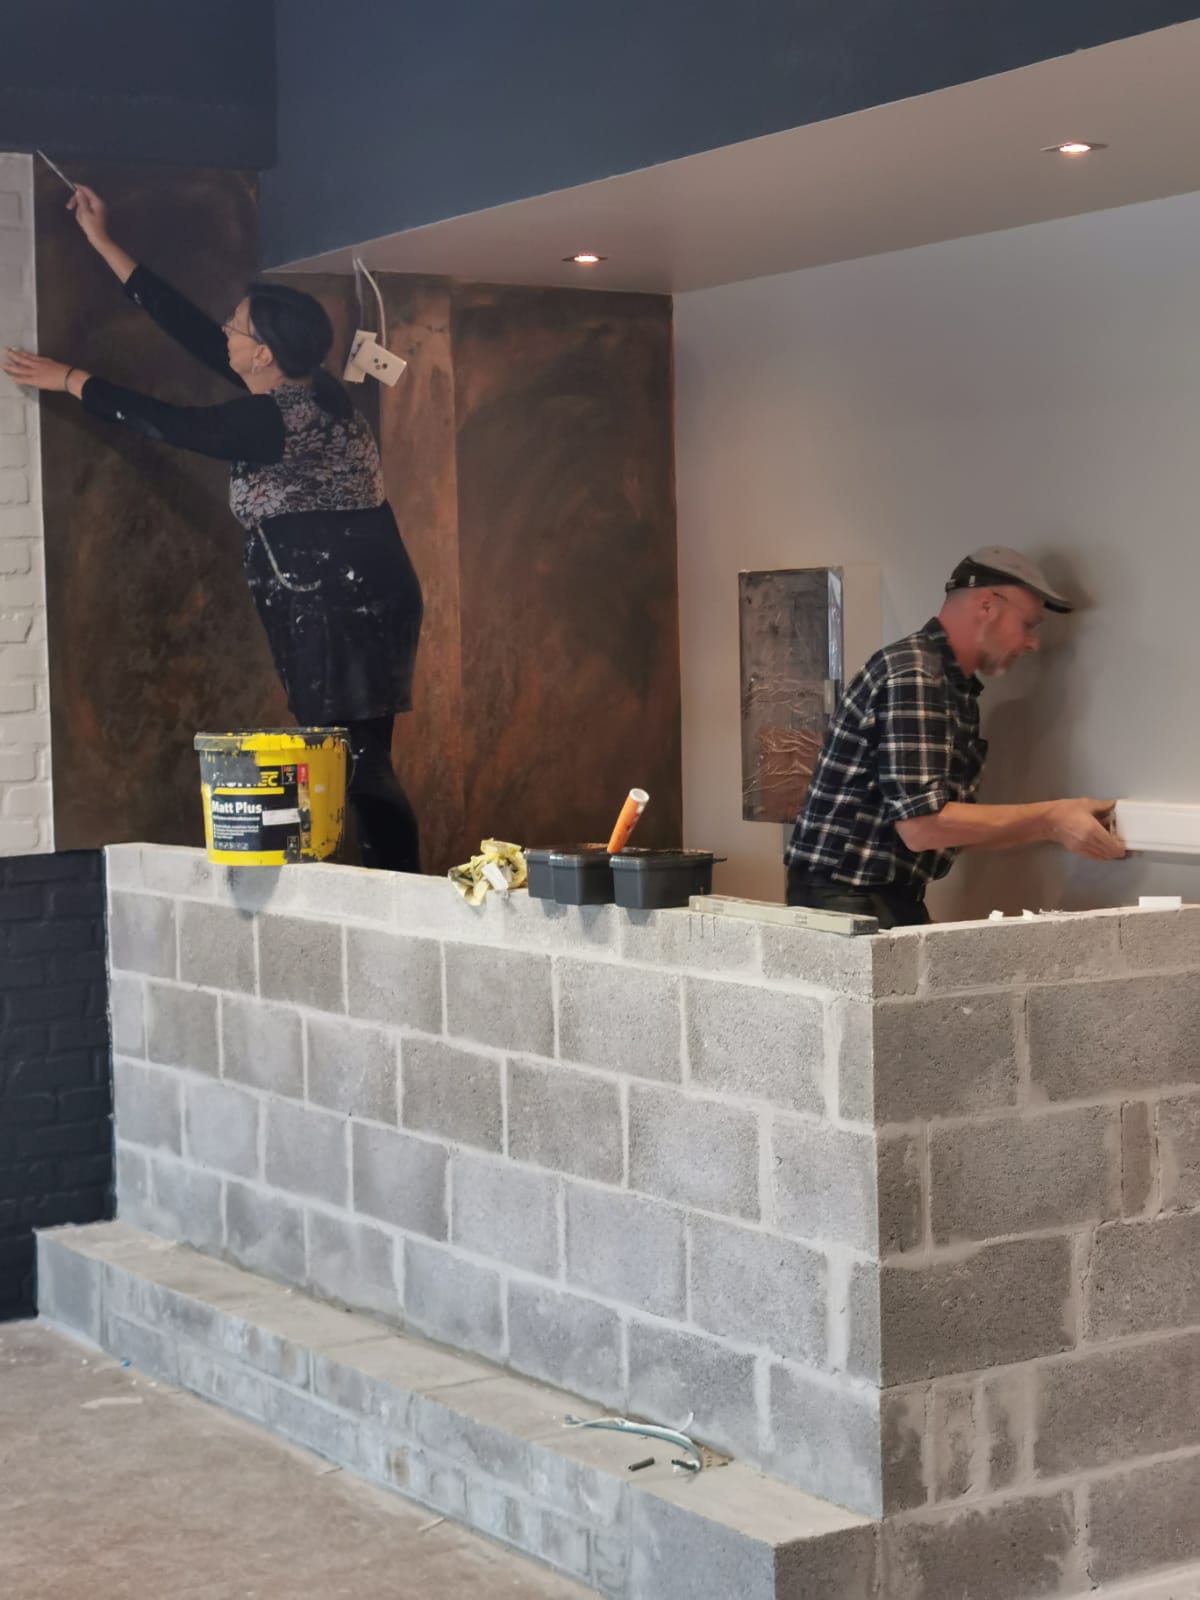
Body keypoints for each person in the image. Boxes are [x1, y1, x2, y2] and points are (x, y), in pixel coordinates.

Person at [1, 185, 423, 873]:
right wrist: (104, 243)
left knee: (359, 756)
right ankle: (386, 884)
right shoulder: (315, 389)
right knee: (358, 752)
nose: (225, 331)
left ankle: (398, 890)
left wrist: (70, 378)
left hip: (336, 600)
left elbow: (166, 423)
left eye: (237, 326)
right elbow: (194, 330)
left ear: (263, 355)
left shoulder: (267, 420)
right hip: (362, 591)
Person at [784, 547, 1125, 928]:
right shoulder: (916, 676)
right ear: (987, 606)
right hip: (847, 899)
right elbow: (922, 827)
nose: (1033, 643)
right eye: (1028, 624)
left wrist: (1057, 823)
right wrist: (1052, 820)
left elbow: (945, 828)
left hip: (875, 895)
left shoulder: (951, 687)